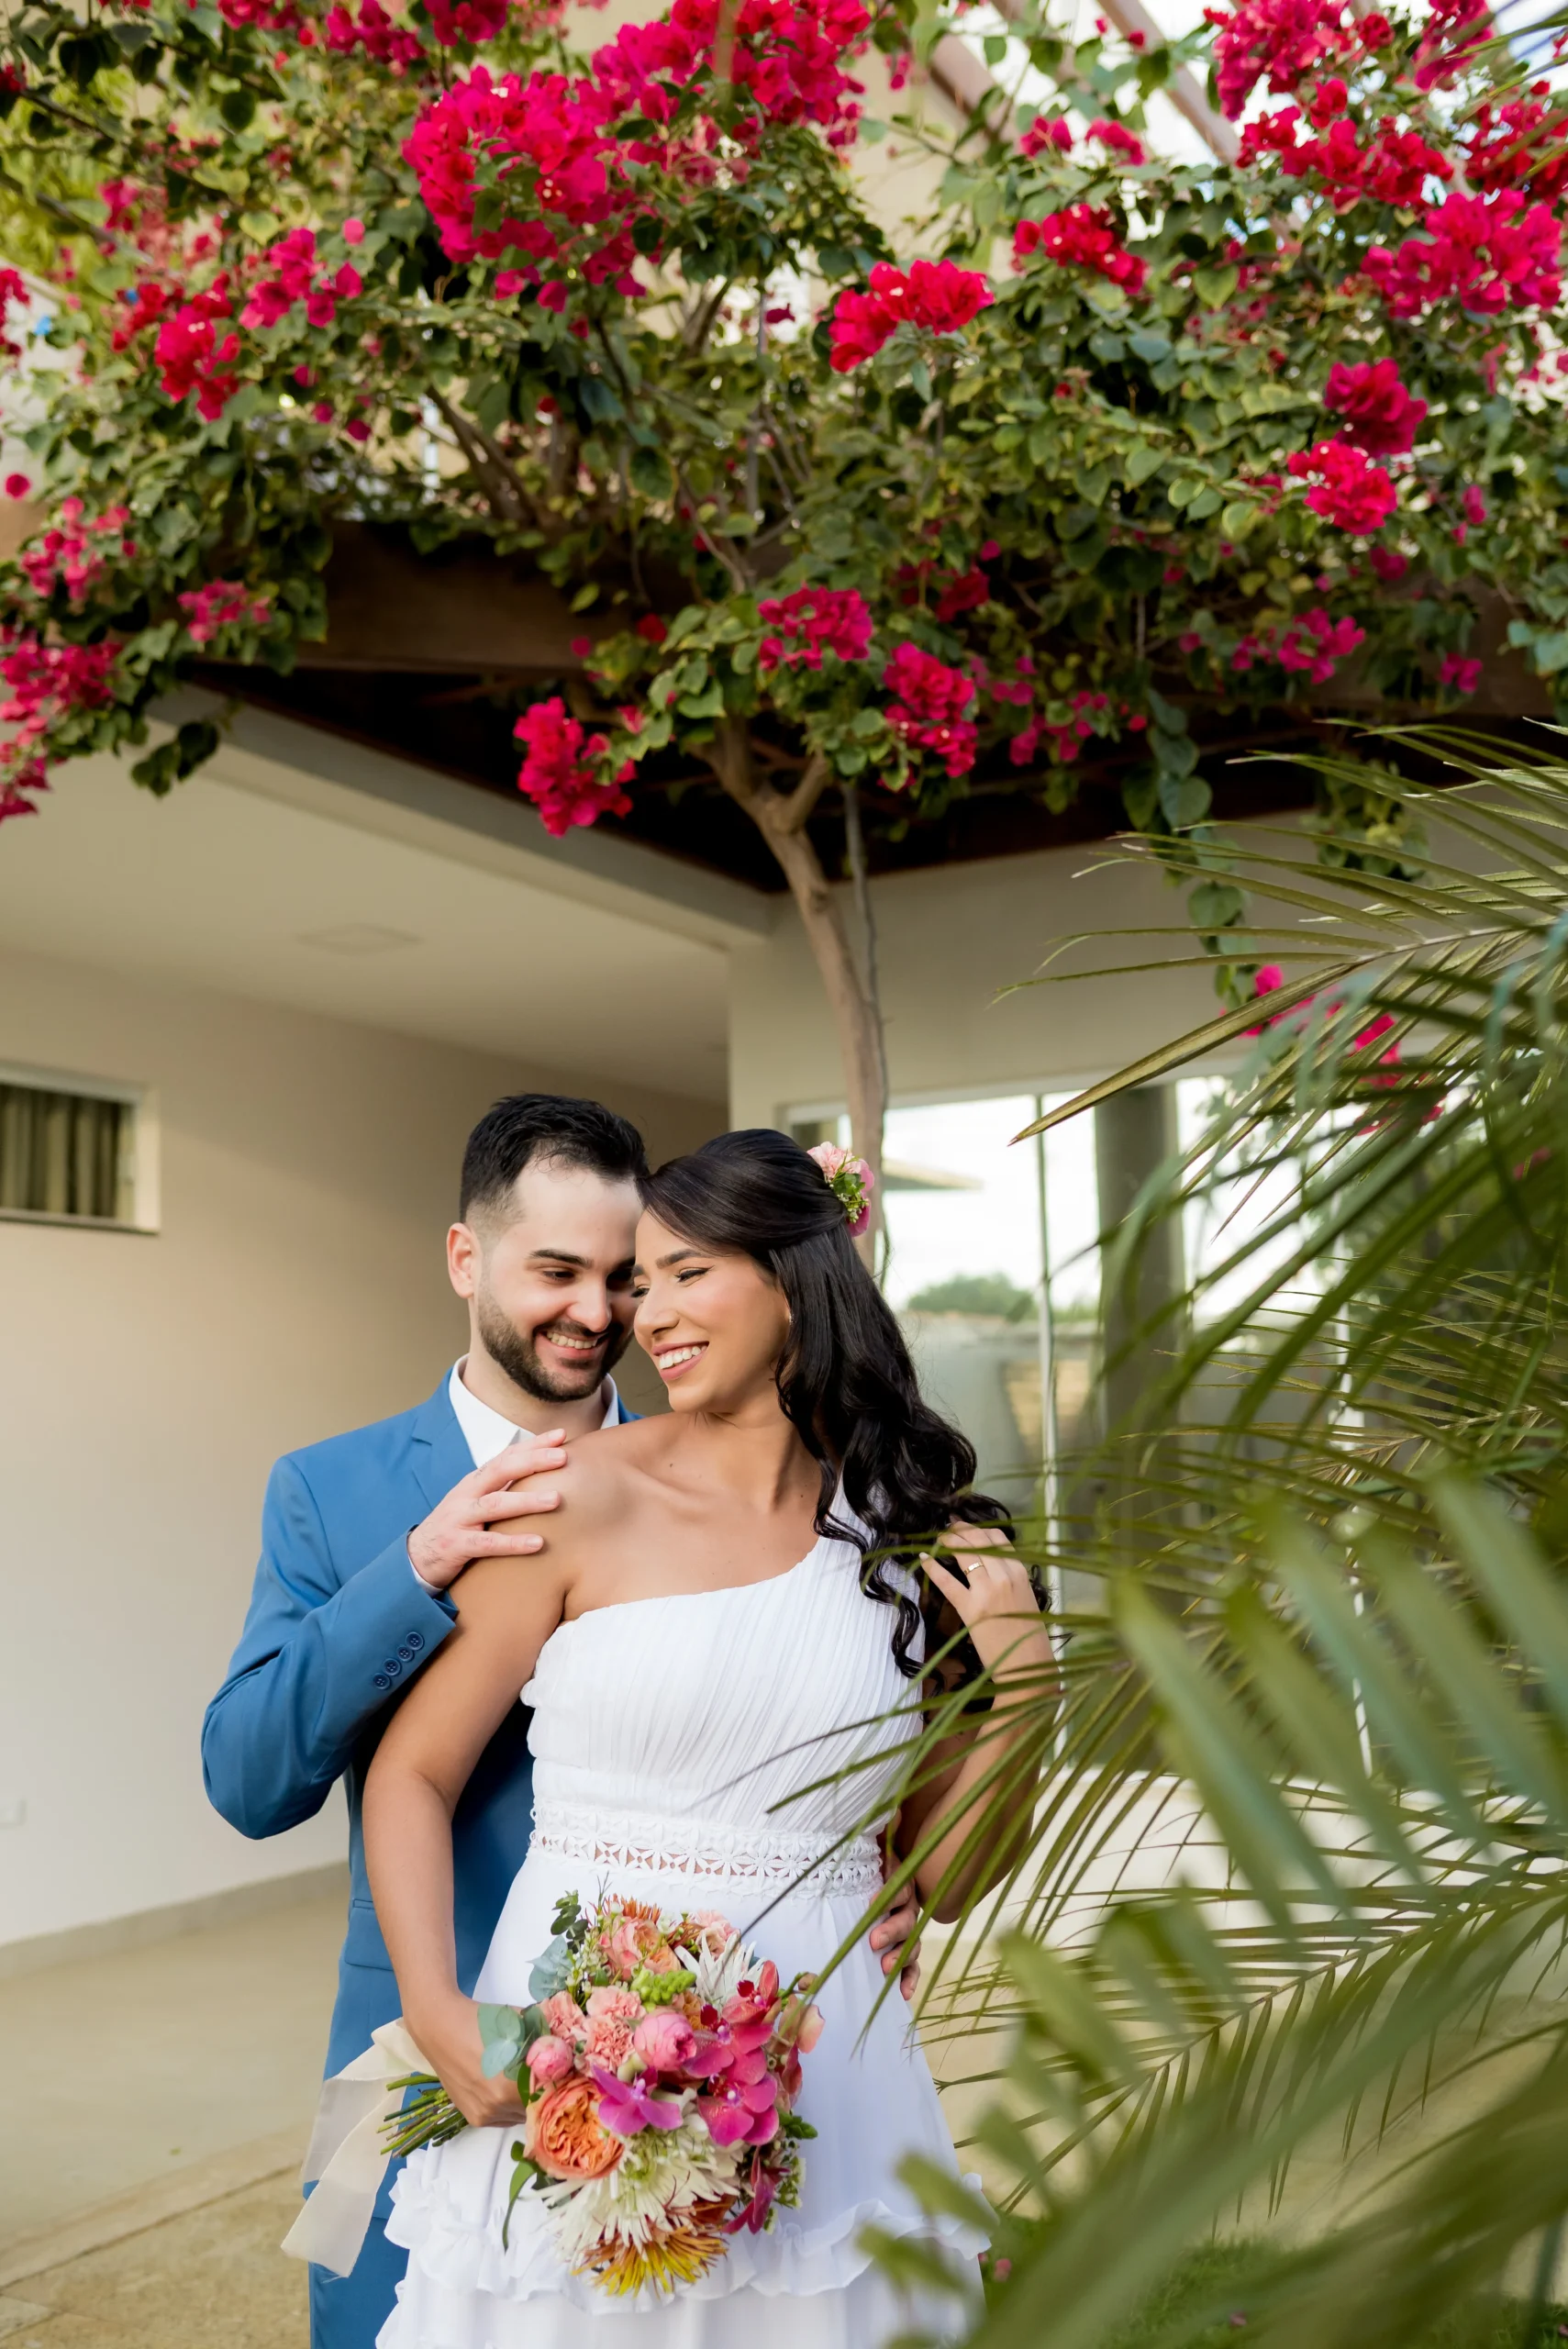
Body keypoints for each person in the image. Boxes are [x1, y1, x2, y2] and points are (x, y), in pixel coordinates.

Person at [202, 1095, 921, 2349]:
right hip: (432, 2039)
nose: (600, 1312)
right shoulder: (330, 1488)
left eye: (623, 1276)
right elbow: (250, 1778)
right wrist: (416, 1569)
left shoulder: (732, 1484)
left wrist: (871, 1886)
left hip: (720, 2055)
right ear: (465, 1258)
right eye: (556, 1272)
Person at [361, 1128, 1053, 2346]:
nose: (650, 1314)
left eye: (688, 1272)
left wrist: (1027, 1685)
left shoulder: (913, 1536)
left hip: (830, 2065)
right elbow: (412, 1771)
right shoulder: (571, 1493)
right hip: (573, 2041)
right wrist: (435, 2008)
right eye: (644, 1282)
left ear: (795, 1282)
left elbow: (944, 1879)